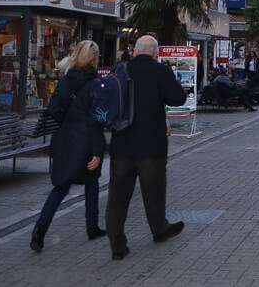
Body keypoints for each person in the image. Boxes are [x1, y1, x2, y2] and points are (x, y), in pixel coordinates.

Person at [106, 35, 187, 260]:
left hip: (121, 142)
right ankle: (159, 230)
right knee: (154, 192)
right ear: (155, 53)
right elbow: (178, 98)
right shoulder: (160, 71)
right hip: (151, 144)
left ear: (134, 51)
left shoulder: (120, 69)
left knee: (117, 197)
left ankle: (117, 245)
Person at [30, 40, 106, 252]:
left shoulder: (65, 81)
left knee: (60, 187)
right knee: (92, 182)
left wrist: (67, 121)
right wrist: (97, 151)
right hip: (88, 140)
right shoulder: (96, 84)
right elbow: (97, 120)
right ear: (93, 59)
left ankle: (40, 230)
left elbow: (53, 109)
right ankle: (92, 226)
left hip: (66, 139)